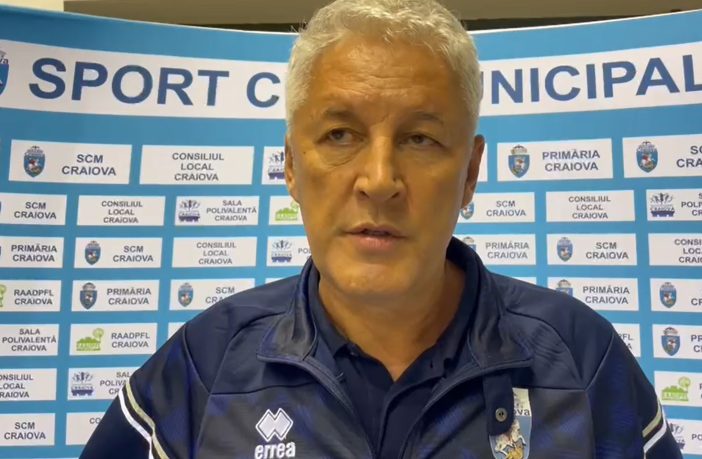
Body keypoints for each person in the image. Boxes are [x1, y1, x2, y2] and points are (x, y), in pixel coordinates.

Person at [81, 0, 681, 458]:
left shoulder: (582, 361)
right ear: (290, 166)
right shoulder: (202, 369)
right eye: (340, 134)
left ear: (470, 174)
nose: (379, 180)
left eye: (420, 138)